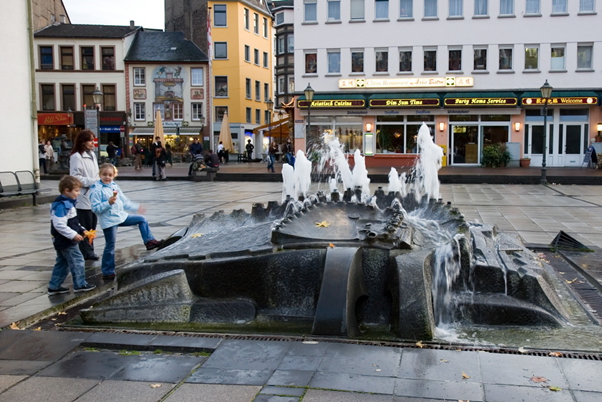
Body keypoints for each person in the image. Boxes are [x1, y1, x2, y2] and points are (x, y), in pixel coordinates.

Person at [90, 163, 163, 280]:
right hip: (109, 221)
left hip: (120, 216)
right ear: (100, 175)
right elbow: (95, 208)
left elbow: (124, 202)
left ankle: (149, 241)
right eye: (104, 174)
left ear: (114, 175)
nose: (107, 177)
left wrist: (136, 207)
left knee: (142, 219)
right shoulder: (96, 189)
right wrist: (108, 203)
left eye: (110, 175)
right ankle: (107, 271)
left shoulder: (114, 186)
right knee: (110, 245)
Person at [48, 175, 97, 295]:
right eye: (76, 190)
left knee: (62, 263)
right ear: (67, 190)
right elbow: (59, 224)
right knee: (77, 260)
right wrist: (73, 235)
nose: (78, 193)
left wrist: (82, 230)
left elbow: (74, 222)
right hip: (66, 240)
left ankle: (54, 286)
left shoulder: (69, 203)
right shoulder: (63, 205)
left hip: (64, 239)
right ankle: (80, 284)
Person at [70, 129, 100, 261]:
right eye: (90, 140)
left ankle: (90, 249)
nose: (93, 143)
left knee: (92, 226)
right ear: (83, 142)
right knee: (85, 226)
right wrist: (93, 182)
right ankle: (86, 252)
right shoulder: (76, 157)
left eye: (93, 140)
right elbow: (75, 177)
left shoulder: (92, 155)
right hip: (84, 196)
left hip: (94, 196)